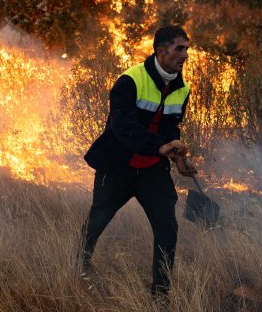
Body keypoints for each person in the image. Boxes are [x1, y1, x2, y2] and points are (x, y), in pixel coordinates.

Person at [78, 25, 197, 296]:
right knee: (97, 221)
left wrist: (178, 159)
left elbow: (171, 129)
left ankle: (160, 293)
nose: (185, 55)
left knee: (167, 227)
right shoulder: (130, 80)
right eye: (180, 48)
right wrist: (162, 146)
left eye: (187, 49)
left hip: (152, 169)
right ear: (161, 50)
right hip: (118, 164)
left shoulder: (182, 88)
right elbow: (123, 127)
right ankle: (79, 265)